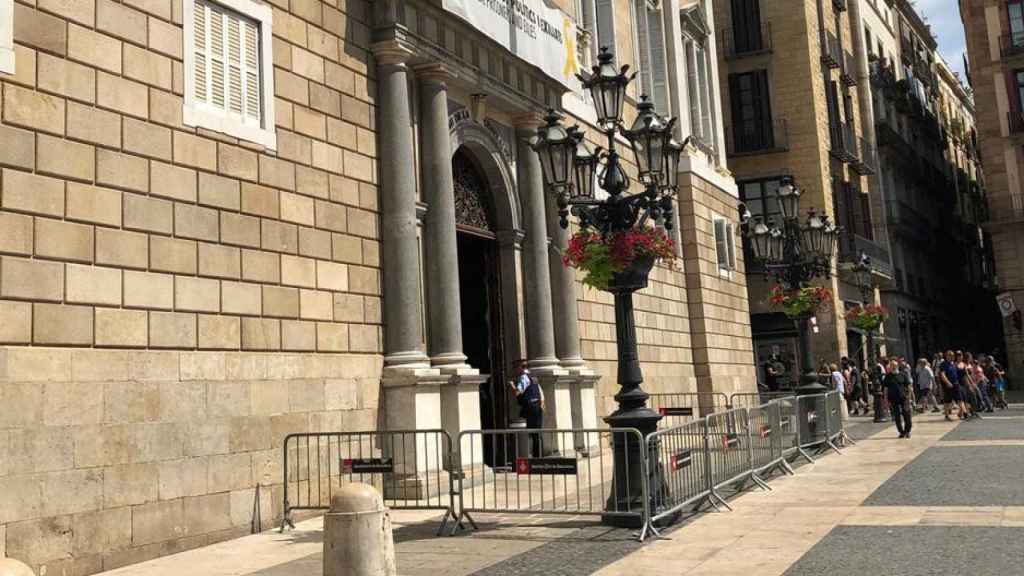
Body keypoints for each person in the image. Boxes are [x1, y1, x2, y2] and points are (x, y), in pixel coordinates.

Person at [510, 360, 544, 456]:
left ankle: (534, 456)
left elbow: (518, 392)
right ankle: (538, 456)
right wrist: (540, 405)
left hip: (531, 407)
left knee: (532, 433)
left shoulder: (523, 377)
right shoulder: (534, 377)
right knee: (537, 433)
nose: (515, 371)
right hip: (537, 406)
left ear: (520, 368)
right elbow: (541, 394)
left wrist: (512, 385)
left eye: (515, 368)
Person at [884, 359, 913, 438]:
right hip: (893, 399)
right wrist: (886, 400)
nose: (893, 367)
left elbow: (909, 387)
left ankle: (907, 431)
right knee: (897, 416)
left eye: (895, 365)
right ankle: (901, 432)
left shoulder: (903, 375)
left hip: (904, 398)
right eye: (892, 366)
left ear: (897, 366)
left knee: (907, 415)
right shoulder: (888, 376)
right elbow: (885, 389)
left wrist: (909, 398)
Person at [938, 350, 961, 421]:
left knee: (959, 398)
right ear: (946, 356)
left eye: (953, 355)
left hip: (955, 383)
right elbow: (942, 374)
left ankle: (962, 412)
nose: (952, 357)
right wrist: (947, 382)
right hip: (948, 385)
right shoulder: (943, 364)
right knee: (947, 400)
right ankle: (947, 415)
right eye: (950, 355)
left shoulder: (953, 364)